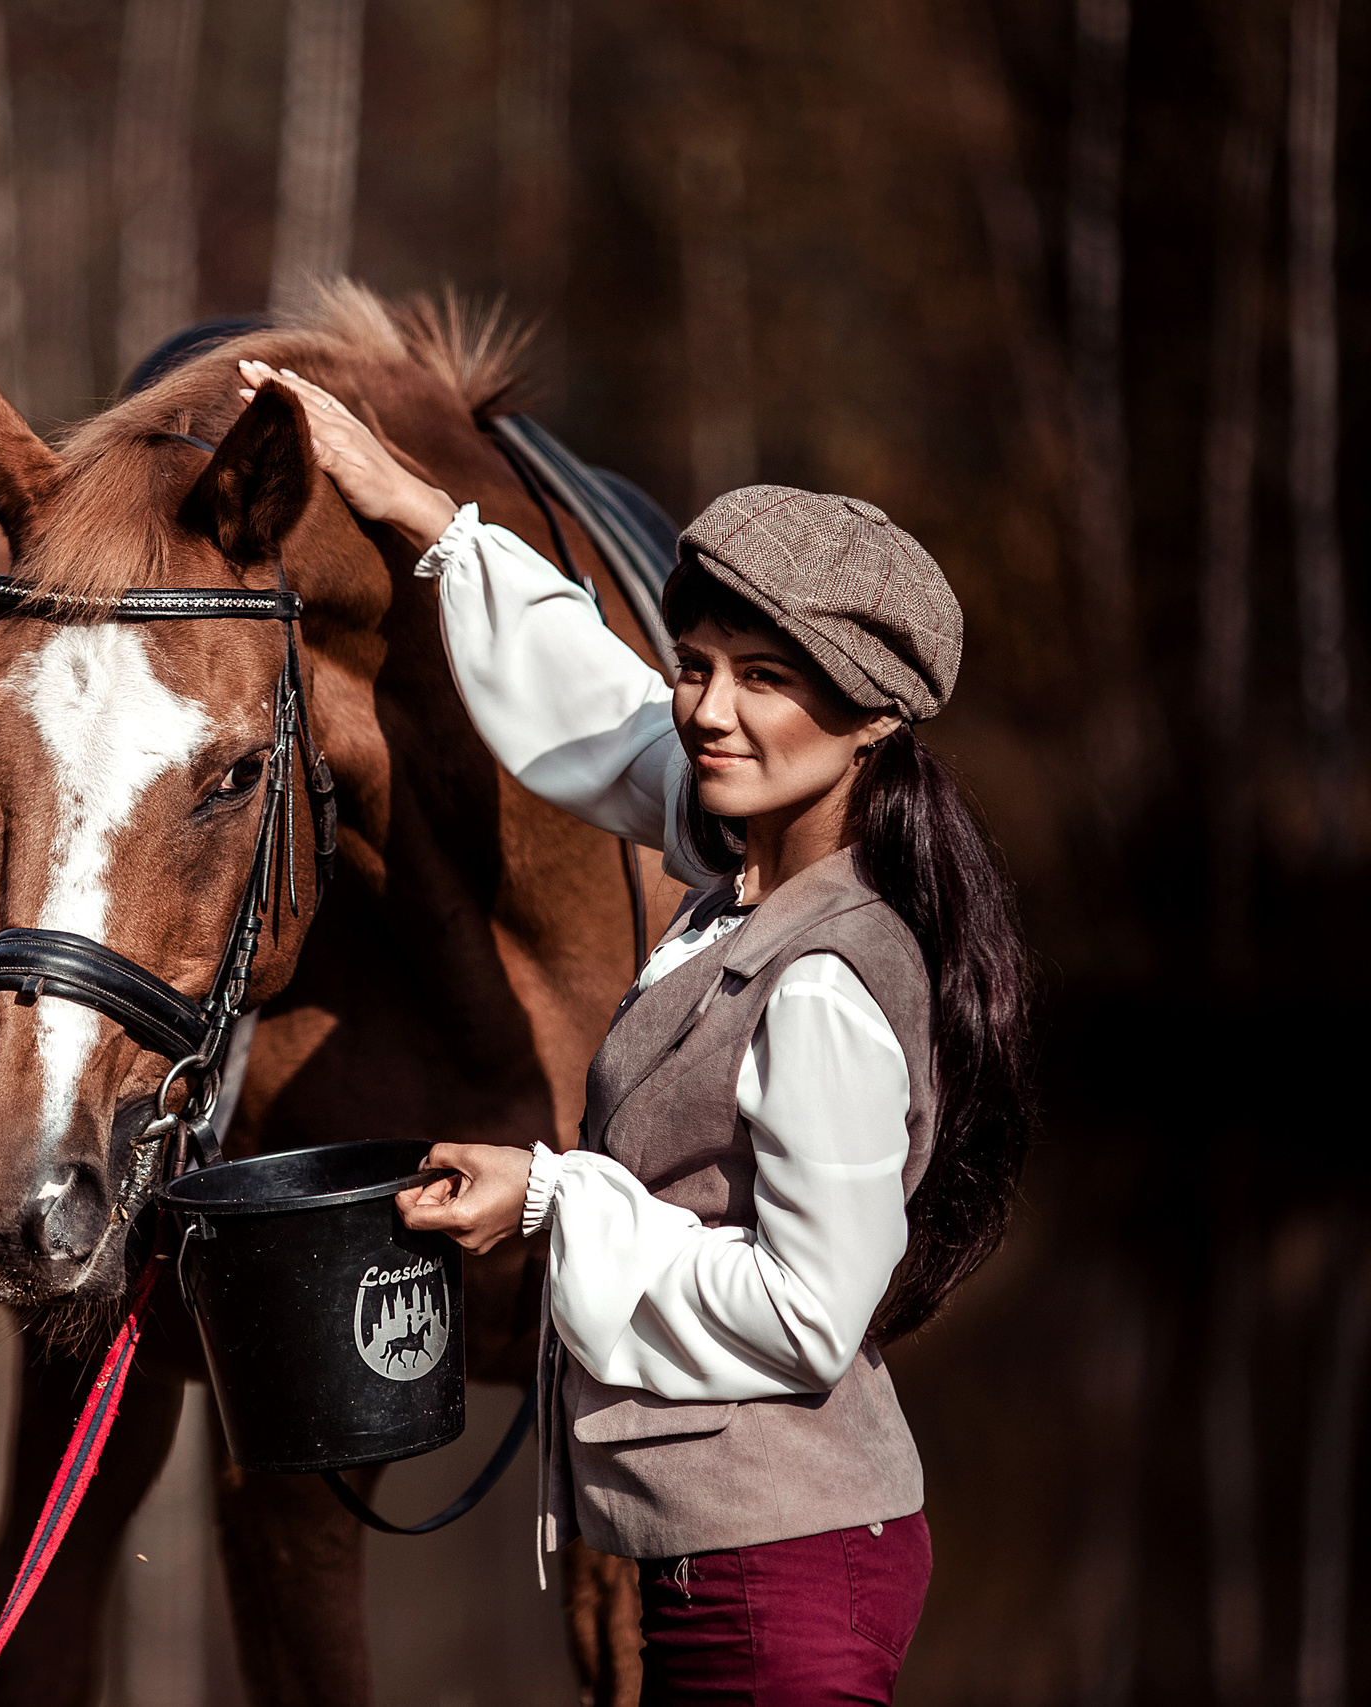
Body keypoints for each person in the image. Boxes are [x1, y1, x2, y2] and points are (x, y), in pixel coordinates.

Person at [233, 360, 1037, 1704]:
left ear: (874, 720)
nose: (710, 711)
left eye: (766, 679)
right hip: (735, 1565)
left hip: (784, 1585)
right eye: (698, 666)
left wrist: (550, 1200)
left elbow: (805, 1315)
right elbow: (596, 707)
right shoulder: (746, 872)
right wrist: (415, 510)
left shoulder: (824, 978)